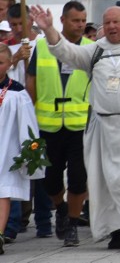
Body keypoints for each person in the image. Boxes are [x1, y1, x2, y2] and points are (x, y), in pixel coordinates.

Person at [29, 5, 120, 252]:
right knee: (104, 181)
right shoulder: (95, 51)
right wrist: (49, 29)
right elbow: (67, 52)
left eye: (116, 22)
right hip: (103, 126)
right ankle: (116, 230)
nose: (111, 27)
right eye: (106, 23)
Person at [25, 1, 91, 247]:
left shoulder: (90, 48)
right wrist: (31, 112)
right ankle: (61, 208)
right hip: (48, 124)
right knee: (49, 179)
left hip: (79, 125)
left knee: (78, 177)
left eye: (84, 20)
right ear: (62, 20)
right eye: (76, 20)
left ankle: (72, 224)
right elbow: (31, 79)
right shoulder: (42, 46)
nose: (81, 25)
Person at [0, 43, 44, 256]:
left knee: (3, 192)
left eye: (0, 62)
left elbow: (27, 123)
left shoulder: (17, 92)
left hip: (6, 149)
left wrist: (30, 149)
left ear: (9, 63)